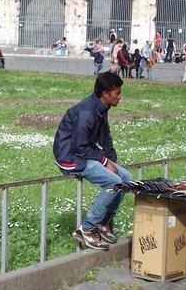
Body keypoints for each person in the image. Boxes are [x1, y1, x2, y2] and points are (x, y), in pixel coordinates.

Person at [53, 72, 132, 250]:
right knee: (113, 182)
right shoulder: (86, 112)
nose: (120, 97)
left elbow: (104, 138)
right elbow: (78, 146)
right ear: (105, 93)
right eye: (117, 93)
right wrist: (105, 163)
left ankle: (103, 221)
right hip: (70, 157)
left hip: (85, 152)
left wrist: (112, 161)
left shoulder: (102, 108)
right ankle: (86, 229)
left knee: (126, 177)